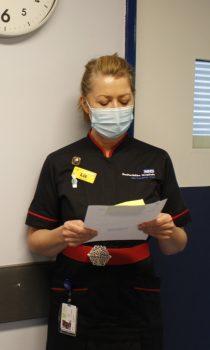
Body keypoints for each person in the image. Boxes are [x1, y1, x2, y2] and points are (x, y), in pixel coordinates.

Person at [26, 54, 190, 350]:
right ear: (85, 104)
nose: (115, 109)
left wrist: (168, 231)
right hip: (77, 292)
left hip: (136, 296)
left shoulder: (156, 159)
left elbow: (176, 245)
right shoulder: (59, 162)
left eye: (124, 100)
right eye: (104, 102)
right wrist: (62, 235)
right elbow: (36, 241)